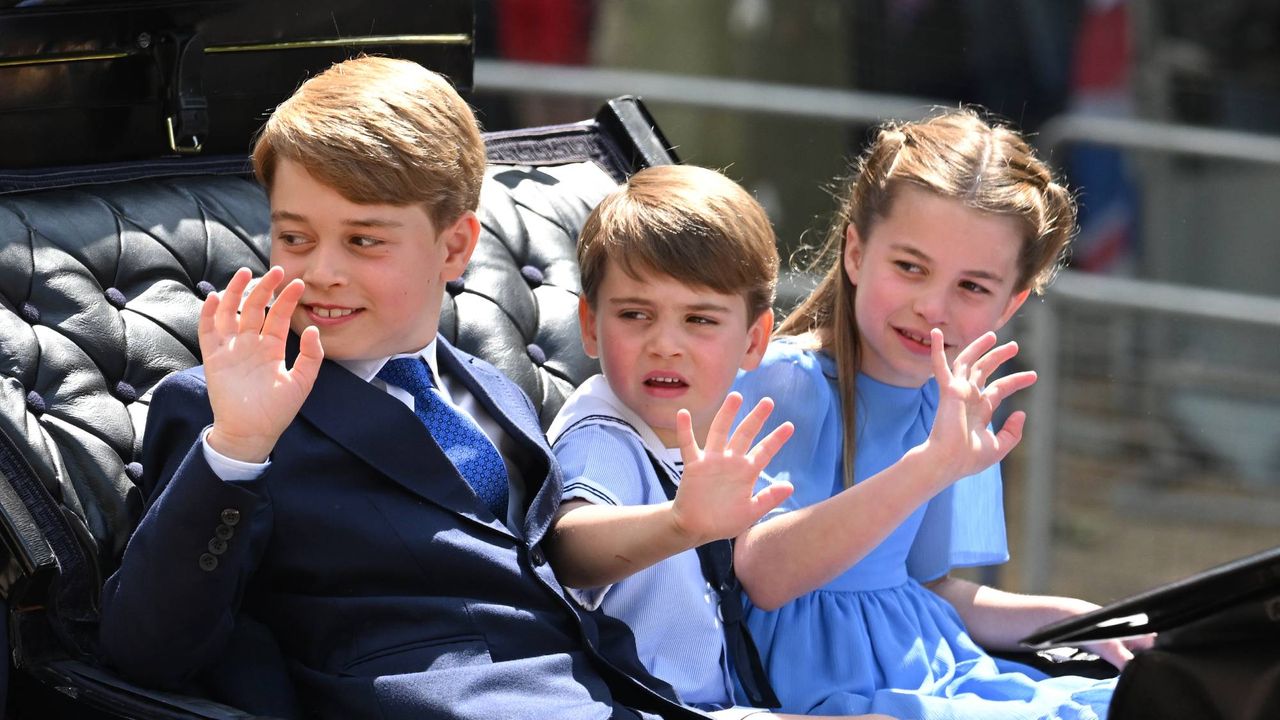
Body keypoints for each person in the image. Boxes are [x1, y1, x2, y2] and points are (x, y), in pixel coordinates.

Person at [97, 56, 709, 720]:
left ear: (454, 249)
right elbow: (147, 651)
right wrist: (238, 446)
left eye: (363, 241)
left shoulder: (497, 392)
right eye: (295, 237)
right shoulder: (225, 412)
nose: (322, 271)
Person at [543, 163, 1024, 720]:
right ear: (591, 324)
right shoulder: (606, 427)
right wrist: (679, 523)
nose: (665, 344)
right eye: (635, 315)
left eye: (699, 320)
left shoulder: (702, 430)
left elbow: (929, 585)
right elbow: (568, 548)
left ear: (753, 342)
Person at [730, 108, 1149, 719]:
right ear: (854, 252)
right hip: (825, 691)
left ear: (1010, 304)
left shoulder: (958, 402)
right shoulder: (783, 380)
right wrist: (930, 466)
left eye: (973, 287)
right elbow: (764, 578)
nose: (933, 307)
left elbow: (927, 589)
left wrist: (1070, 616)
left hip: (935, 667)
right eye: (910, 267)